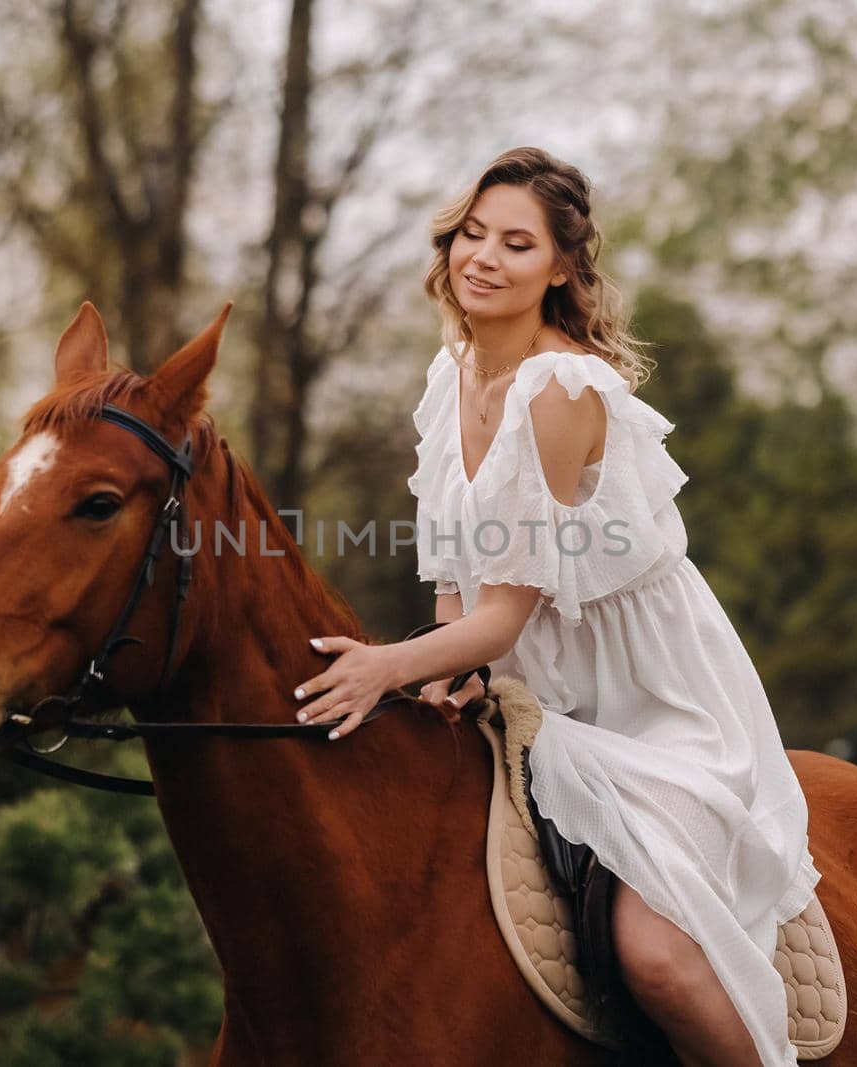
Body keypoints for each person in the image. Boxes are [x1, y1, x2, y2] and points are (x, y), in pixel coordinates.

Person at [291, 146, 820, 1067]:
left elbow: (503, 616)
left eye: (517, 243)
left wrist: (384, 663)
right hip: (535, 694)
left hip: (654, 709)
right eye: (472, 233)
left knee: (656, 957)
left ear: (562, 269)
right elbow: (458, 584)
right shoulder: (447, 375)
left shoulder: (562, 390)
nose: (483, 257)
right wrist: (448, 673)